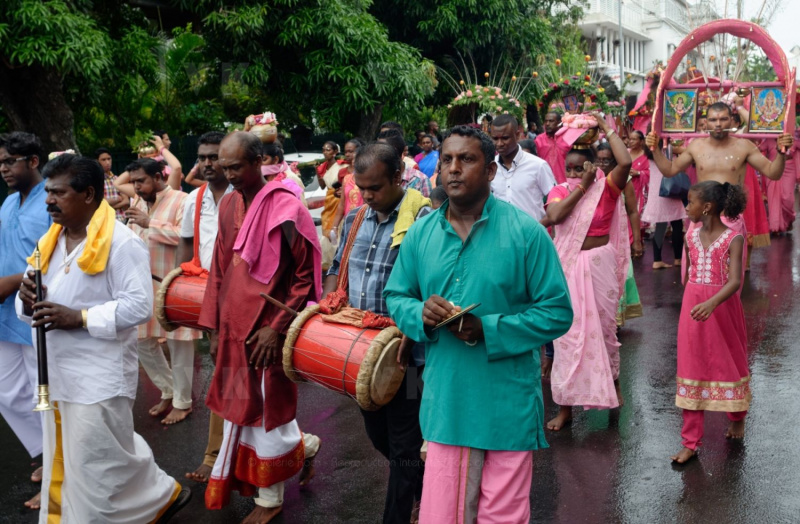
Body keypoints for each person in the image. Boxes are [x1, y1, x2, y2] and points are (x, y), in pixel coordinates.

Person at [384, 126, 572, 523]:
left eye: (466, 160)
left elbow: (557, 311)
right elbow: (396, 296)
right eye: (447, 160)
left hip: (507, 401)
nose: (453, 169)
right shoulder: (420, 234)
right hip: (446, 400)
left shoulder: (526, 233)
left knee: (503, 514)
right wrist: (420, 314)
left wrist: (487, 327)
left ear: (489, 171)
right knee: (442, 514)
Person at [16, 153, 191, 522]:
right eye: (47, 192)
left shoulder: (122, 244)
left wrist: (78, 318)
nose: (48, 200)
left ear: (89, 194)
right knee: (81, 459)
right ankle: (155, 495)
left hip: (99, 375)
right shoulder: (48, 241)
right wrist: (26, 299)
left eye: (58, 193)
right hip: (56, 372)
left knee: (99, 463)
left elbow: (139, 307)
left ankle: (143, 503)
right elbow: (28, 300)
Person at [198, 132, 321, 523]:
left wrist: (277, 326)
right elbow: (219, 267)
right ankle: (306, 446)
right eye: (223, 165)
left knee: (266, 409)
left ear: (258, 162)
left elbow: (305, 276)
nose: (228, 173)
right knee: (241, 406)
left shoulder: (286, 206)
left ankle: (269, 498)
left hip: (268, 329)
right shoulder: (228, 202)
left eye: (236, 166)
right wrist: (215, 328)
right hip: (233, 326)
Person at [322, 143, 430, 524]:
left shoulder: (423, 219)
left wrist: (413, 325)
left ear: (398, 179)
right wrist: (331, 296)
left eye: (375, 188)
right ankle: (432, 494)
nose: (367, 196)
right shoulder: (355, 218)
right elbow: (336, 267)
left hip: (413, 358)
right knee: (379, 438)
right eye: (362, 188)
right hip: (363, 354)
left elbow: (434, 284)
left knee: (404, 444)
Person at [545, 113, 632, 431]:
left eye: (579, 169)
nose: (572, 173)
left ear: (593, 167)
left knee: (606, 334)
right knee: (567, 338)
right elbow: (554, 216)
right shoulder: (558, 191)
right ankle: (566, 410)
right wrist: (579, 187)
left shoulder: (607, 188)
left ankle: (614, 386)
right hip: (568, 267)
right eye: (568, 168)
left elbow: (625, 164)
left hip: (600, 265)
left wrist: (608, 128)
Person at [646, 102, 792, 268]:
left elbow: (773, 173)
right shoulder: (696, 146)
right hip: (702, 219)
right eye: (713, 119)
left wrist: (781, 153)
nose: (718, 124)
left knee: (729, 276)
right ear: (706, 122)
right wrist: (655, 149)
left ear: (731, 120)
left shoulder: (744, 146)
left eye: (723, 119)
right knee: (696, 272)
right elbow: (670, 170)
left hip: (731, 218)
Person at [671, 181, 749, 464]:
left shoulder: (733, 238)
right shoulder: (690, 235)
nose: (687, 207)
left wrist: (712, 303)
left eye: (690, 202)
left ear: (706, 207)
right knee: (691, 365)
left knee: (729, 361)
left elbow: (735, 280)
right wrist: (695, 300)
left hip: (722, 308)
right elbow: (691, 271)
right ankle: (690, 442)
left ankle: (737, 416)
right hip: (693, 308)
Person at [172, 131, 233, 484]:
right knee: (227, 376)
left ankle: (216, 456)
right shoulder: (194, 200)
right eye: (203, 158)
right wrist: (181, 291)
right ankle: (217, 453)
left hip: (241, 301)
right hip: (207, 300)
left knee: (235, 378)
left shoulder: (246, 197)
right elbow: (185, 243)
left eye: (214, 157)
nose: (207, 164)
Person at [126, 158, 201, 425]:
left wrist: (150, 224)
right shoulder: (137, 203)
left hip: (174, 285)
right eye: (133, 182)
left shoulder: (182, 200)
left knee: (179, 343)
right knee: (141, 340)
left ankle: (182, 402)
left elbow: (188, 235)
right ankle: (169, 389)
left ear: (158, 177)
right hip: (143, 286)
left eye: (141, 181)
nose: (136, 188)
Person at [0, 132, 49, 510]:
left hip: (37, 308)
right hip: (3, 313)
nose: (3, 169)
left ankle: (55, 478)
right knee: (6, 391)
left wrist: (12, 282)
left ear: (33, 161)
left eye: (10, 161)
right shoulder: (6, 206)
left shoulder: (53, 198)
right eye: (1, 162)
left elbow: (61, 256)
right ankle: (43, 449)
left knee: (44, 394)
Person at [597, 143, 644, 327]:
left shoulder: (624, 181)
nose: (601, 164)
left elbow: (633, 211)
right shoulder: (591, 179)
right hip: (596, 238)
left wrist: (637, 241)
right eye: (598, 159)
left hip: (618, 238)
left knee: (622, 275)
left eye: (606, 160)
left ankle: (614, 319)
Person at [490, 114, 556, 222]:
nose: (499, 143)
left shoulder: (538, 166)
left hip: (532, 236)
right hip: (502, 235)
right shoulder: (491, 168)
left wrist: (537, 229)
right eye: (495, 139)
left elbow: (555, 202)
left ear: (517, 135)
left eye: (505, 138)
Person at [377, 129, 431, 197]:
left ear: (395, 151)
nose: (377, 154)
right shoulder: (375, 177)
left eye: (381, 151)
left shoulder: (421, 181)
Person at [760, 138, 797, 234]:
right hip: (773, 169)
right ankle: (775, 226)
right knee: (774, 198)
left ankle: (789, 219)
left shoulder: (793, 140)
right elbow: (756, 149)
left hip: (789, 168)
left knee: (788, 198)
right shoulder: (769, 141)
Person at [331, 138, 365, 233]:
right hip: (348, 223)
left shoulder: (370, 178)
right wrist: (334, 227)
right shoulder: (346, 178)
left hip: (364, 223)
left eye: (352, 152)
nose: (352, 159)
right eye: (346, 152)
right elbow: (342, 204)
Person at [535, 111, 571, 184]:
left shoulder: (568, 138)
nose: (547, 124)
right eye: (546, 121)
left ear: (559, 123)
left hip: (566, 183)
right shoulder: (538, 140)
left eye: (551, 121)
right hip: (546, 183)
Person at [317, 141, 343, 239]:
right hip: (329, 200)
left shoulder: (341, 166)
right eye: (323, 150)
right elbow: (322, 186)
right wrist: (318, 173)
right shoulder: (322, 167)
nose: (325, 152)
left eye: (328, 150)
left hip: (339, 200)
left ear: (335, 152)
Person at [95, 147, 129, 220]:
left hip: (121, 219)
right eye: (103, 160)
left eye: (109, 159)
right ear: (97, 161)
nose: (107, 162)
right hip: (104, 220)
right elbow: (98, 203)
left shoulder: (118, 179)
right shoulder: (95, 180)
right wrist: (118, 199)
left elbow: (126, 201)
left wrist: (110, 205)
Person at [628, 130, 650, 219]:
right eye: (630, 139)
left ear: (641, 142)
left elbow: (651, 173)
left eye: (634, 139)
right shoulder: (625, 152)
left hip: (639, 190)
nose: (631, 141)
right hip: (625, 187)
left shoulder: (646, 156)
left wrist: (639, 173)